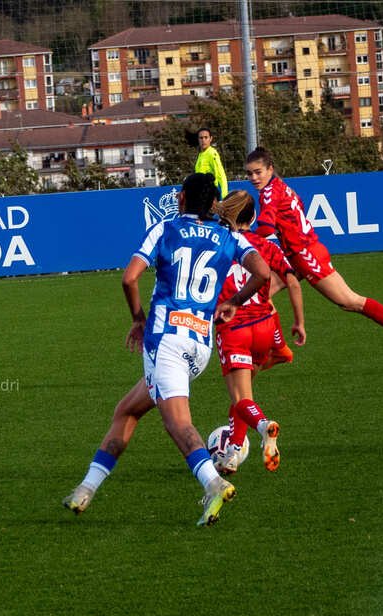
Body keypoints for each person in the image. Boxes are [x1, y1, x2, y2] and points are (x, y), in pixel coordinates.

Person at [63, 173, 270, 527]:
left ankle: (214, 483)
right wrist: (234, 302)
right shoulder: (229, 235)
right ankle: (85, 489)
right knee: (127, 411)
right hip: (200, 345)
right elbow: (262, 272)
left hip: (166, 340)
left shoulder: (166, 228)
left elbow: (129, 278)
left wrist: (138, 319)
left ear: (183, 198)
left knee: (177, 423)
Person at [244, 146, 383, 361]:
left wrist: (242, 237)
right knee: (260, 293)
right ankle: (279, 350)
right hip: (299, 252)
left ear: (270, 169)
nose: (254, 178)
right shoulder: (281, 186)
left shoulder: (268, 193)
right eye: (249, 174)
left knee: (350, 301)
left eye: (258, 172)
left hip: (305, 256)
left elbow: (266, 227)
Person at [211, 190, 306, 474]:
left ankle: (264, 426)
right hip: (265, 327)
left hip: (234, 329)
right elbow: (294, 280)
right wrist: (299, 322)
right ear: (253, 217)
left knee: (241, 399)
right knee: (243, 395)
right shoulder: (266, 246)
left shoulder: (217, 244)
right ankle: (232, 453)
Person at [195, 127, 228, 200]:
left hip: (210, 193)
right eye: (201, 138)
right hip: (201, 194)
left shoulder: (212, 153)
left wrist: (224, 197)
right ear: (198, 139)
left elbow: (221, 175)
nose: (203, 140)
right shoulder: (200, 155)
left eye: (206, 137)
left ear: (210, 139)